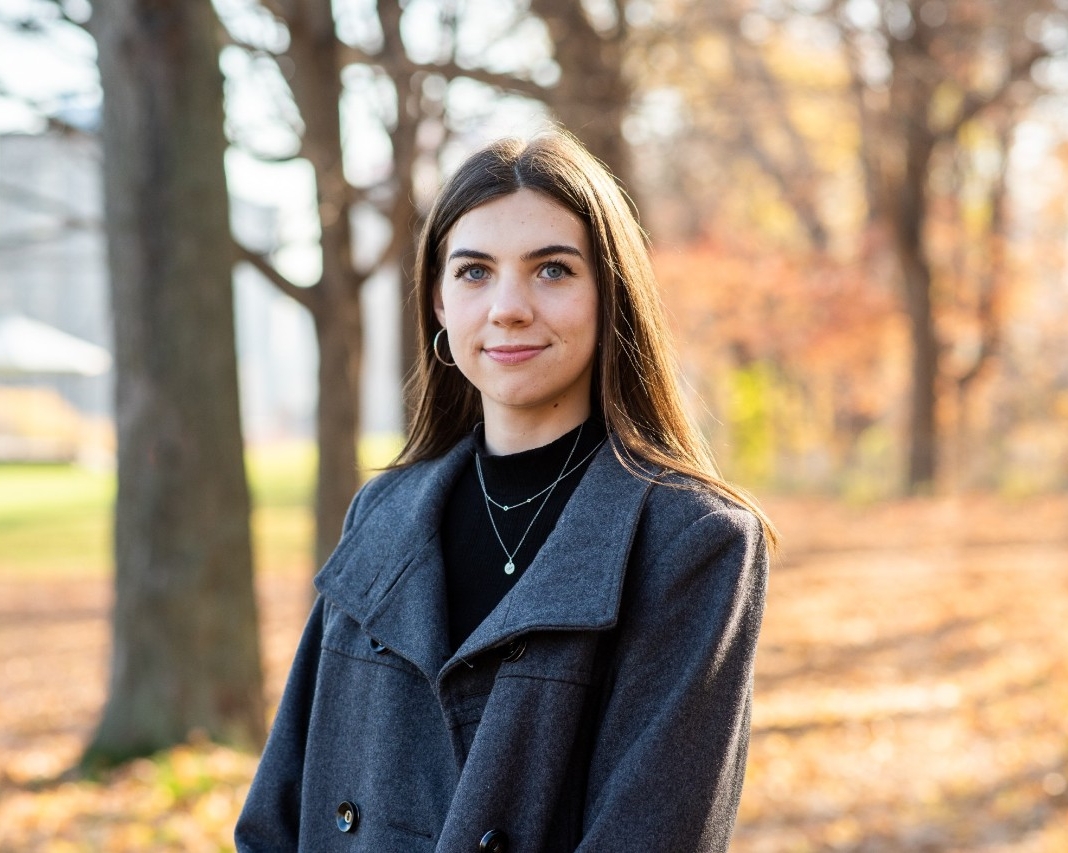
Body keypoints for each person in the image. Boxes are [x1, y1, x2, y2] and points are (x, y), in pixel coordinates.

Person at [235, 131, 774, 852]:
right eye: (474, 272)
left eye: (552, 270)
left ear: (609, 293)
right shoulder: (384, 512)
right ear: (437, 300)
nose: (509, 307)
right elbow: (276, 813)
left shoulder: (693, 539)